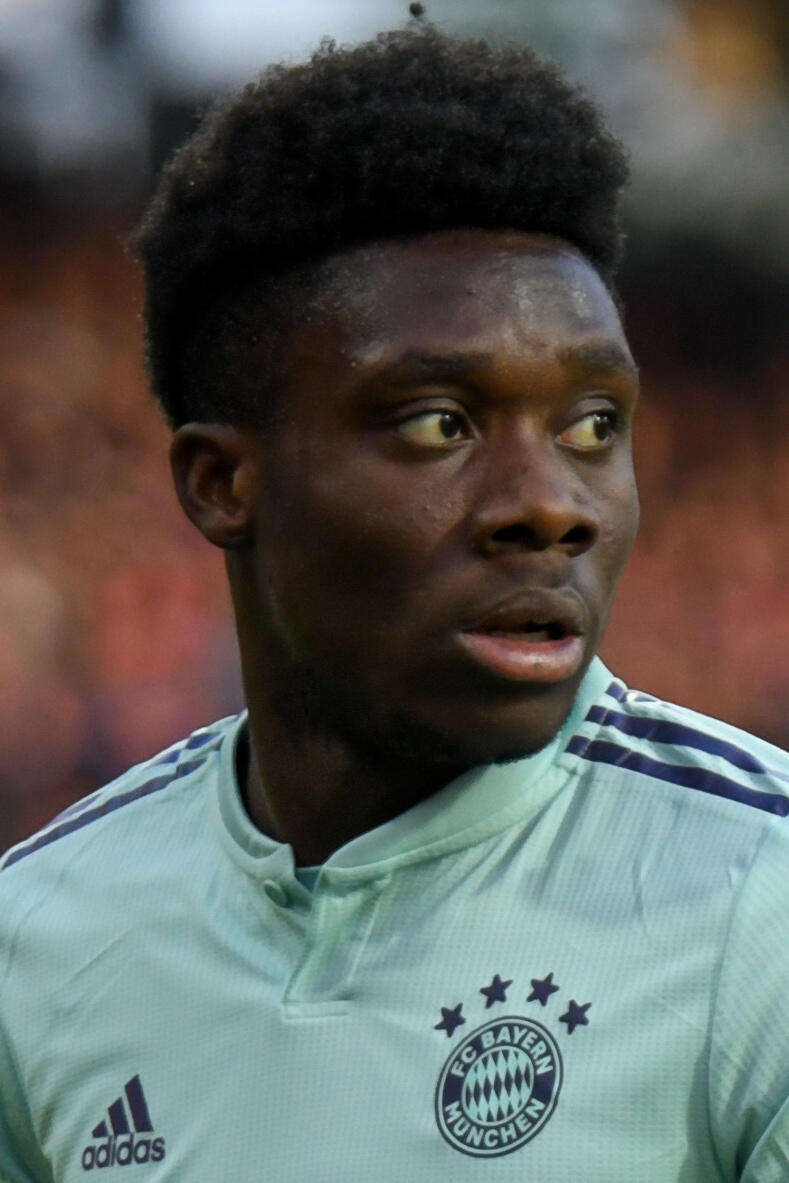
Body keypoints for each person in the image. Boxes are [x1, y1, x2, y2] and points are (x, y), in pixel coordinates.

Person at [2, 25, 788, 1182]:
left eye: (592, 426)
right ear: (223, 484)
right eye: (438, 425)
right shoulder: (42, 939)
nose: (550, 505)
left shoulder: (759, 905)